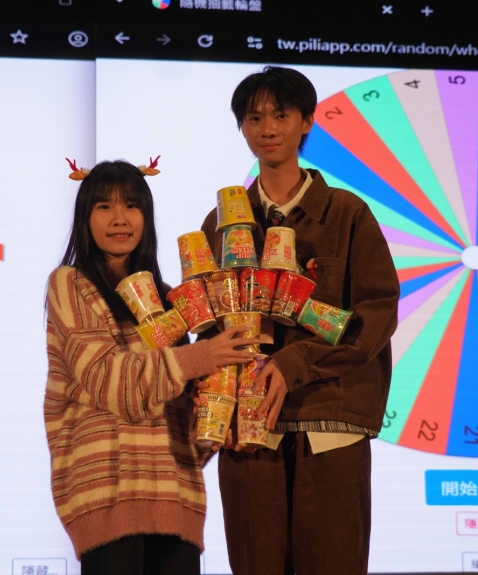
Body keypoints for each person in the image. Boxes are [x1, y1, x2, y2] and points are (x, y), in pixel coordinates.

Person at [197, 67, 400, 574]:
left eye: (281, 115)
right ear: (242, 127)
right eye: (254, 118)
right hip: (248, 428)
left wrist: (297, 362)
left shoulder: (347, 213)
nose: (268, 128)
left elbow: (376, 315)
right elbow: (205, 321)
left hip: (330, 424)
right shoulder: (222, 223)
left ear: (306, 121)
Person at [44, 159, 257, 575]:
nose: (119, 219)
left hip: (175, 499)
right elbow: (109, 381)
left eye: (131, 206)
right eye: (104, 207)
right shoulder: (70, 284)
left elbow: (182, 417)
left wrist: (222, 418)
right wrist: (204, 356)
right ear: (85, 217)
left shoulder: (168, 299)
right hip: (106, 497)